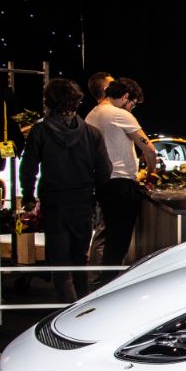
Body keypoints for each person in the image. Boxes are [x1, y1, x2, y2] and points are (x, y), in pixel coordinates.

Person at [19, 79, 111, 303]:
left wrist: (29, 197)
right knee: (80, 260)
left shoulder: (39, 131)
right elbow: (105, 170)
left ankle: (64, 311)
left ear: (49, 101)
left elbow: (28, 168)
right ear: (77, 101)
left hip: (54, 203)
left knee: (60, 263)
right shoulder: (92, 133)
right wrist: (96, 195)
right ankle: (82, 308)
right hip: (83, 202)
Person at [86, 77, 156, 283]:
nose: (132, 108)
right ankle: (108, 282)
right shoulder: (120, 114)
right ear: (126, 97)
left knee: (108, 234)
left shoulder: (93, 113)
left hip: (101, 181)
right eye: (132, 103)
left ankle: (99, 279)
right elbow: (149, 148)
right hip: (121, 182)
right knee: (119, 238)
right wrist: (151, 170)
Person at [85, 71, 113, 266]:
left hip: (101, 179)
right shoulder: (109, 114)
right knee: (104, 232)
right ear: (105, 89)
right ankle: (97, 280)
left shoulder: (93, 115)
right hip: (110, 180)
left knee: (102, 230)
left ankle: (95, 278)